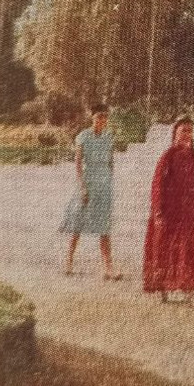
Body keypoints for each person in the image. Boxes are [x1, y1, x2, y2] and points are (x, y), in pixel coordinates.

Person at [142, 116, 194, 302]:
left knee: (187, 251)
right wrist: (158, 211)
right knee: (164, 249)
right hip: (169, 211)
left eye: (189, 131)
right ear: (175, 132)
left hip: (187, 212)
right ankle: (162, 289)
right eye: (183, 130)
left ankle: (188, 291)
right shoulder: (167, 156)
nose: (187, 134)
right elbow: (157, 185)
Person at [61, 103, 121, 280]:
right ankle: (69, 261)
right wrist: (82, 187)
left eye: (104, 117)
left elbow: (111, 161)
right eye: (98, 117)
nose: (102, 120)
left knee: (104, 225)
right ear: (92, 117)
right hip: (87, 181)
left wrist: (109, 180)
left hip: (104, 183)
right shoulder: (83, 136)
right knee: (78, 223)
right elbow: (78, 163)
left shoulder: (109, 137)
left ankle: (108, 268)